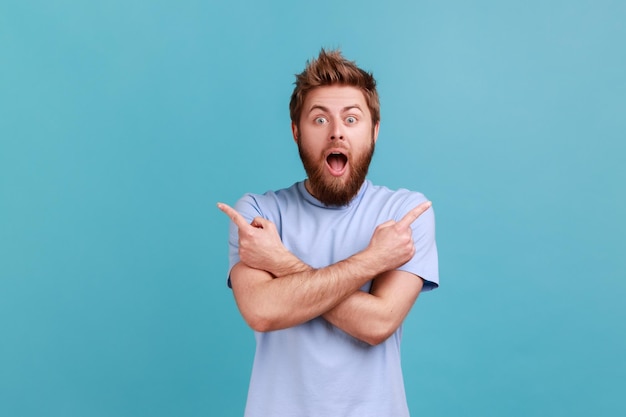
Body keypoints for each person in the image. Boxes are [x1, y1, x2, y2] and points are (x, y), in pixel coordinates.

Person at [217, 49, 439, 417]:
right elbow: (261, 310)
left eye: (351, 119)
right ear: (295, 132)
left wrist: (281, 263)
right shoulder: (258, 213)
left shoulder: (403, 215)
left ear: (374, 130)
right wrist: (372, 260)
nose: (336, 132)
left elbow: (377, 322)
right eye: (319, 120)